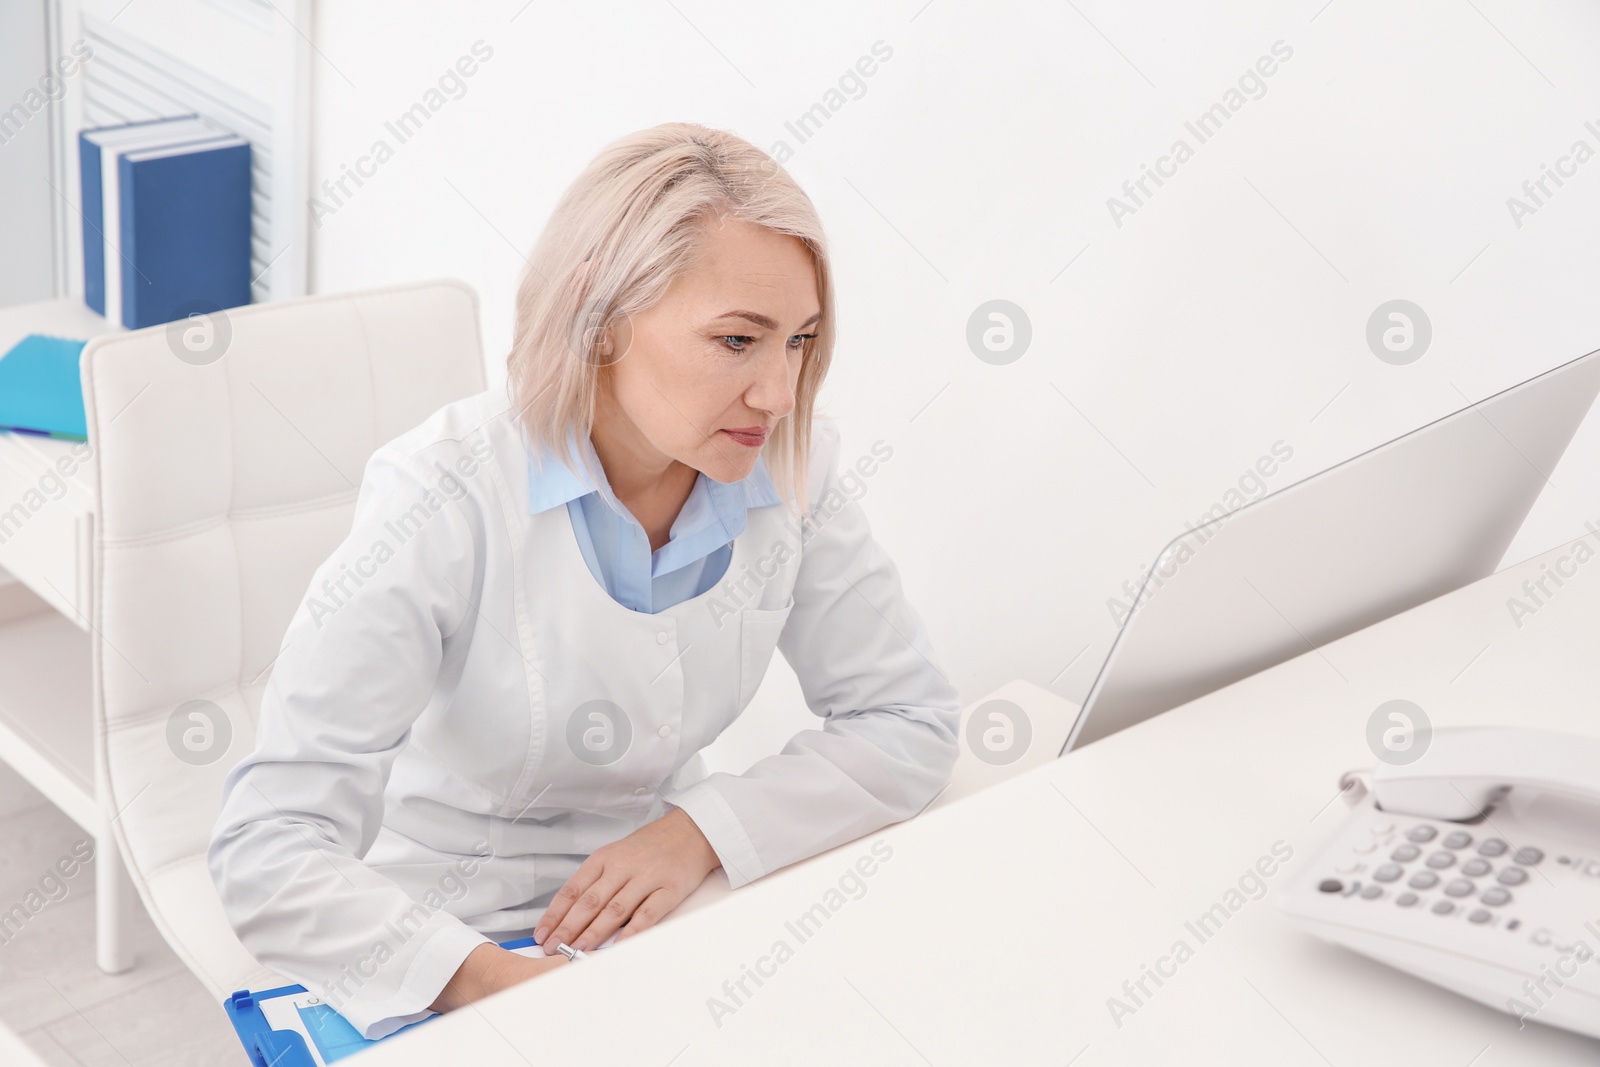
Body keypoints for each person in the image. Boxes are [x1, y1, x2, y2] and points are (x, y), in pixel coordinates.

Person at [207, 121, 962, 1041]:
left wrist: (696, 832)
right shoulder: (441, 495)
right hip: (442, 929)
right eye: (737, 340)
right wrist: (491, 984)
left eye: (799, 342)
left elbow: (909, 719)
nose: (776, 392)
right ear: (601, 323)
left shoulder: (791, 465)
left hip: (662, 902)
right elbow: (269, 846)